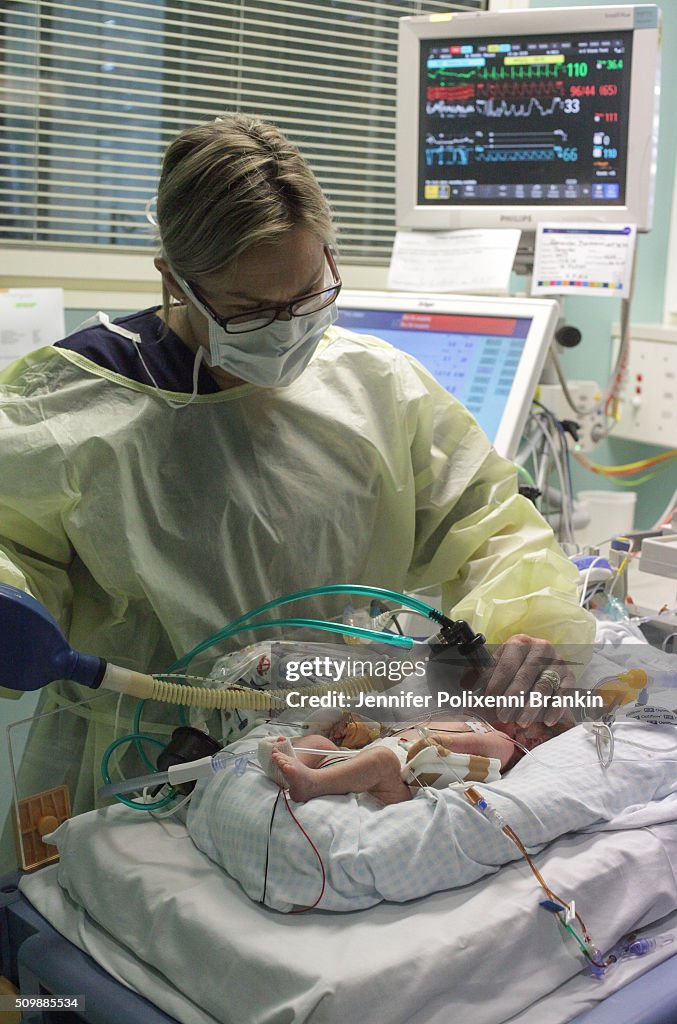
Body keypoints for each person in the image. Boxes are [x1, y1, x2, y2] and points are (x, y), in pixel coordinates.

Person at [0, 112, 594, 869]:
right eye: (249, 311)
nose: (285, 330)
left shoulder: (374, 384)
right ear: (173, 278)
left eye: (307, 294)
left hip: (339, 746)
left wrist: (524, 625)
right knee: (105, 960)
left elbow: (487, 515)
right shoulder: (70, 407)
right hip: (141, 766)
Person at [264, 716, 568, 804]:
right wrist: (361, 730)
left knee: (381, 761)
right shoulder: (472, 716)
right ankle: (291, 761)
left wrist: (447, 741)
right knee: (320, 743)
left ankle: (312, 784)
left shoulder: (504, 741)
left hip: (398, 781)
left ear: (533, 740)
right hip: (370, 753)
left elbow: (491, 750)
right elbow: (399, 729)